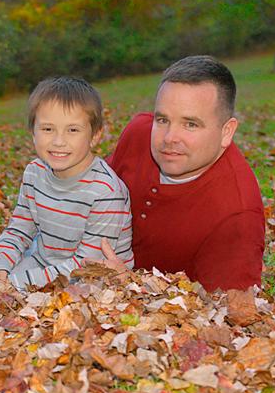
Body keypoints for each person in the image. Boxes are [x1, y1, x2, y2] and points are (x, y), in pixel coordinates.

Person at [104, 55, 265, 291]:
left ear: (226, 132)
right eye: (162, 119)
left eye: (190, 124)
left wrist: (129, 285)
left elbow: (226, 317)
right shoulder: (138, 133)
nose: (169, 138)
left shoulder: (236, 216)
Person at [0, 76, 134, 291]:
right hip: (45, 262)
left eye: (73, 130)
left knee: (11, 291)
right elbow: (20, 229)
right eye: (47, 129)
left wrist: (16, 283)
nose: (58, 141)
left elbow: (87, 266)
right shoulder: (35, 172)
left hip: (96, 280)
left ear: (95, 135)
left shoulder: (105, 191)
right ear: (32, 132)